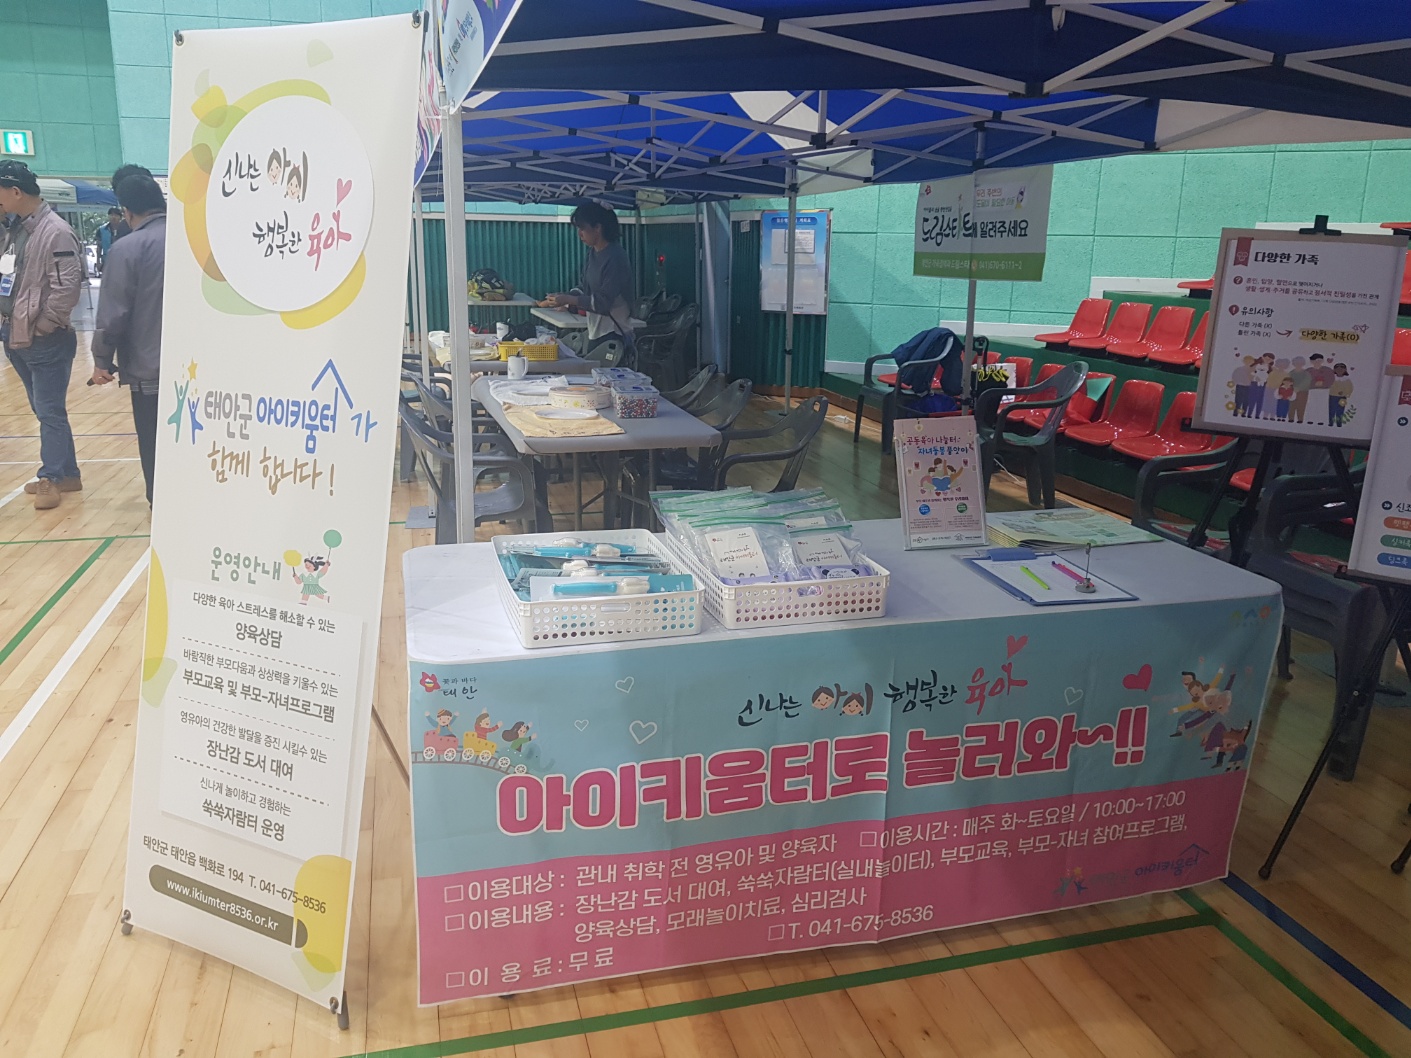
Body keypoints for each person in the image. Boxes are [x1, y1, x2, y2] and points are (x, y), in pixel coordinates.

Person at [0, 160, 83, 510]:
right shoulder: (14, 229)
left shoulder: (56, 231)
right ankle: (68, 474)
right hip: (15, 334)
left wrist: (44, 325)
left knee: (49, 410)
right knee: (44, 410)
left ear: (16, 191)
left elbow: (67, 288)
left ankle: (51, 476)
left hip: (44, 338)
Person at [90, 173, 166, 506]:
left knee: (154, 440)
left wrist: (102, 361)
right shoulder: (196, 243)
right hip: (201, 371)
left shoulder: (127, 249)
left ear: (127, 211)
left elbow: (113, 313)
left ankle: (160, 503)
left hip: (150, 371)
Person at [542, 202, 636, 359]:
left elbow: (603, 303)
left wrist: (569, 299)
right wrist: (563, 297)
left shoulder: (616, 258)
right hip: (595, 331)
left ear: (598, 228)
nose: (579, 234)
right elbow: (584, 287)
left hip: (614, 333)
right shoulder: (592, 253)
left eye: (582, 228)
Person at [97, 207, 129, 272]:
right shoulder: (102, 230)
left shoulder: (127, 229)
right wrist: (98, 261)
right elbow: (99, 247)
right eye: (111, 215)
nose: (113, 217)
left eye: (116, 215)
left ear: (120, 217)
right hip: (107, 261)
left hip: (122, 261)